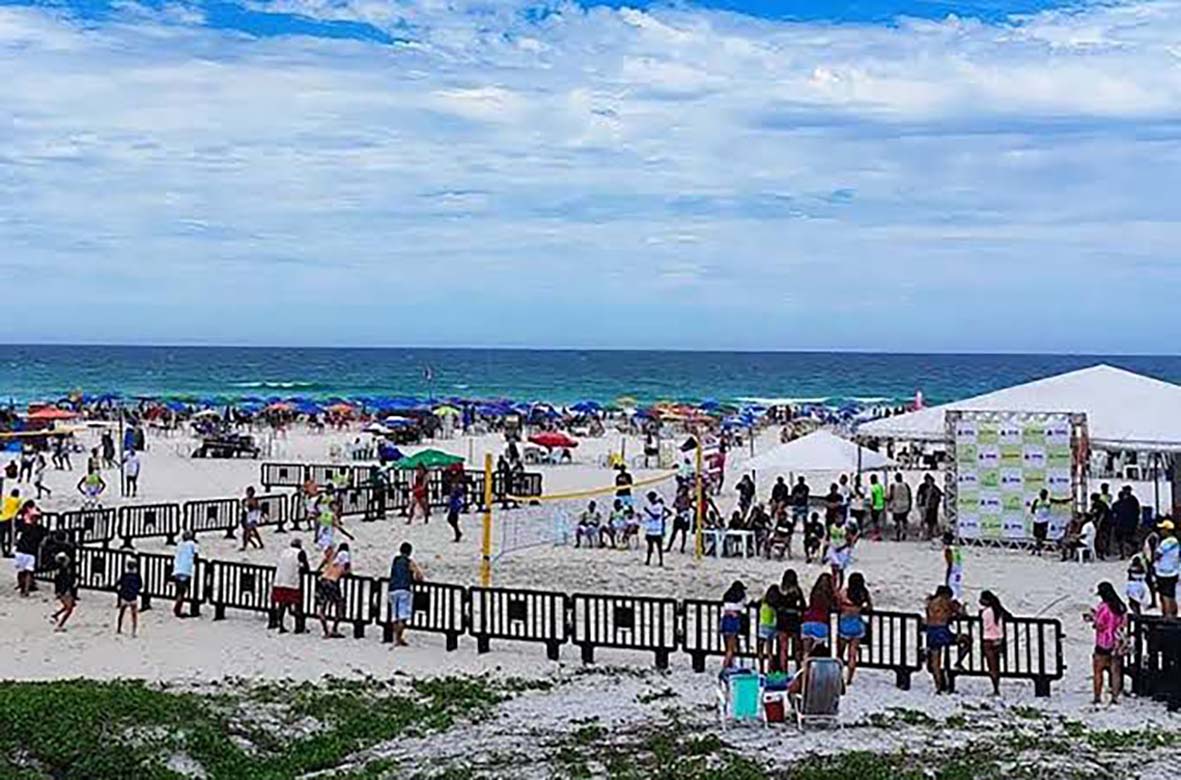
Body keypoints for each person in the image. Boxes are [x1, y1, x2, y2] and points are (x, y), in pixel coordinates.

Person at [1085, 581, 1127, 705]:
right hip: (1117, 643)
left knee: (1098, 671)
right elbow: (1123, 624)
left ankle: (1097, 697)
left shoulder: (1103, 607)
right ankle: (1115, 697)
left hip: (1103, 643)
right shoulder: (1121, 607)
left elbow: (1100, 625)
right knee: (1115, 672)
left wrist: (1092, 618)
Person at [925, 585, 968, 693]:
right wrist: (961, 608)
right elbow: (961, 614)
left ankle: (938, 687)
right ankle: (959, 661)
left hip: (931, 631)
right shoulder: (946, 602)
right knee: (966, 640)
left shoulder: (930, 602)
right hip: (943, 631)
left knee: (936, 662)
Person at [837, 572, 871, 685]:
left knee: (840, 653)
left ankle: (838, 675)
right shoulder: (863, 593)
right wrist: (859, 608)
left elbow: (838, 605)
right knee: (852, 654)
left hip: (844, 623)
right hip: (857, 624)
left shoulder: (844, 592)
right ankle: (849, 679)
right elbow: (870, 607)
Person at [388, 542, 424, 647]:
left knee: (395, 615)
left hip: (392, 589)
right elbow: (419, 576)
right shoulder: (409, 562)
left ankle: (396, 638)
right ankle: (399, 639)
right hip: (404, 589)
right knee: (403, 616)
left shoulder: (395, 560)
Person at [272, 538, 309, 633]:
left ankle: (280, 625)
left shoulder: (284, 552)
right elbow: (306, 567)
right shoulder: (300, 552)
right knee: (296, 604)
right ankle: (298, 627)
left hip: (279, 580)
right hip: (292, 581)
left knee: (282, 604)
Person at [316, 543, 351, 638]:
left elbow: (324, 561)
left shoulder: (333, 555)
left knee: (323, 607)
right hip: (332, 582)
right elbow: (347, 570)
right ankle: (334, 629)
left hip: (323, 580)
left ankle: (326, 631)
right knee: (339, 605)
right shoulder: (345, 555)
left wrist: (318, 569)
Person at [978, 590, 1009, 696]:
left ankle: (995, 689)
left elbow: (984, 625)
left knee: (991, 666)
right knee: (997, 665)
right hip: (999, 640)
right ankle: (997, 687)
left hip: (988, 640)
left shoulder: (984, 612)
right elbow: (1009, 617)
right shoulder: (999, 610)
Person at [778, 569, 806, 671]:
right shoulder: (797, 591)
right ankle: (798, 668)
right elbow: (803, 605)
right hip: (794, 620)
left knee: (783, 649)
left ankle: (783, 670)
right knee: (797, 647)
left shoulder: (780, 590)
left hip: (782, 620)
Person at [13, 510, 47, 597]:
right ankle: (24, 589)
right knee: (25, 572)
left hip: (24, 551)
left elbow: (17, 536)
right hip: (27, 551)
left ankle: (24, 589)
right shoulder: (39, 529)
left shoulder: (26, 527)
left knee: (26, 571)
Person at [801, 572, 835, 653]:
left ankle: (805, 663)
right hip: (821, 622)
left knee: (806, 650)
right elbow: (834, 606)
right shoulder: (828, 594)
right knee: (819, 649)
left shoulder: (814, 592)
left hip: (807, 621)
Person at [1029, 488, 1067, 556]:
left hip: (1044, 521)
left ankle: (1036, 549)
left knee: (1042, 537)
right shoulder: (1036, 501)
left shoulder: (1048, 500)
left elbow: (1059, 501)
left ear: (1046, 495)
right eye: (1041, 494)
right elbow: (1032, 510)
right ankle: (1037, 550)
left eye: (1043, 494)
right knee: (1037, 537)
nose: (1042, 495)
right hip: (1037, 521)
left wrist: (1070, 499)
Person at [1152, 520, 1179, 618]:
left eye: (1162, 529)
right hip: (1172, 572)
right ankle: (1173, 615)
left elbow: (1157, 555)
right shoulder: (1175, 541)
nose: (1160, 531)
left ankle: (1167, 616)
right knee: (1171, 595)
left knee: (1165, 596)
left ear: (1167, 530)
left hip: (1164, 573)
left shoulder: (1168, 542)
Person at [720, 580, 747, 669]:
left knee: (727, 647)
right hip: (733, 622)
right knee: (731, 649)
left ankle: (729, 665)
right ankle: (725, 667)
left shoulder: (726, 597)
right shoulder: (741, 598)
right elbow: (742, 606)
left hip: (725, 621)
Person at [172, 530, 199, 618]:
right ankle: (177, 609)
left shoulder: (179, 544)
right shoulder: (192, 544)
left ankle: (177, 607)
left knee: (179, 590)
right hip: (186, 570)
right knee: (182, 591)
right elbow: (195, 554)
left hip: (177, 569)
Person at [756, 584, 781, 674]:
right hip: (772, 627)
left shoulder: (763, 603)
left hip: (762, 626)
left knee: (760, 649)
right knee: (769, 651)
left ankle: (761, 668)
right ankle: (769, 669)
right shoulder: (775, 605)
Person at [1112, 487, 1141, 560]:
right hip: (1124, 523)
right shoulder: (1131, 501)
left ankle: (1129, 551)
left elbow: (1137, 512)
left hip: (1126, 523)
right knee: (1124, 538)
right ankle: (1126, 552)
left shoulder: (1131, 501)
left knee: (1126, 538)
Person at [51, 551, 77, 632]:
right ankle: (60, 625)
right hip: (65, 591)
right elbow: (61, 582)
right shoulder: (63, 571)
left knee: (68, 606)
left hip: (66, 590)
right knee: (69, 609)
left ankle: (56, 615)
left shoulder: (63, 570)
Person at [116, 560, 143, 637]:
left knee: (121, 613)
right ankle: (134, 630)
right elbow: (140, 585)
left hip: (124, 596)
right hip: (133, 597)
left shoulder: (124, 575)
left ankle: (119, 627)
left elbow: (118, 583)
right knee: (134, 615)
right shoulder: (137, 576)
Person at [642, 492, 668, 567]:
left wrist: (648, 511)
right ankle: (648, 560)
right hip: (650, 528)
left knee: (659, 547)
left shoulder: (659, 506)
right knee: (649, 547)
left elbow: (656, 517)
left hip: (657, 530)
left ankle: (661, 561)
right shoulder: (650, 505)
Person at [887, 473, 912, 541]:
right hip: (905, 505)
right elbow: (910, 496)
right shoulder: (906, 485)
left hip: (897, 506)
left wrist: (888, 503)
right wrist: (910, 505)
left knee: (896, 521)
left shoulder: (893, 486)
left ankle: (898, 536)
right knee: (904, 520)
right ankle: (904, 534)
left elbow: (891, 497)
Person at [917, 475, 942, 541]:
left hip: (932, 507)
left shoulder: (935, 488)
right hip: (924, 506)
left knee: (931, 521)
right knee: (924, 520)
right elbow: (919, 495)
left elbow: (939, 495)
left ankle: (930, 533)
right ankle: (924, 533)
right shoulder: (922, 487)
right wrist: (919, 503)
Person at [240, 486, 265, 551]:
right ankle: (259, 543)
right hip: (246, 518)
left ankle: (244, 546)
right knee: (253, 532)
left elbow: (257, 509)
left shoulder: (254, 501)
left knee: (246, 533)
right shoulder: (245, 500)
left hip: (252, 518)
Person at [943, 531, 965, 601]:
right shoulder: (956, 549)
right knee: (958, 590)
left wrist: (947, 577)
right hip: (959, 572)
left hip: (953, 572)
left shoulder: (948, 550)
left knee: (951, 591)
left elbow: (950, 564)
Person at [0, 488, 20, 558]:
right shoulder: (18, 500)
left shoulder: (6, 499)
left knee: (2, 536)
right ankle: (9, 551)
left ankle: (3, 551)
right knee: (10, 536)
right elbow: (19, 509)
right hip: (10, 519)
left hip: (1, 518)